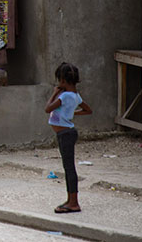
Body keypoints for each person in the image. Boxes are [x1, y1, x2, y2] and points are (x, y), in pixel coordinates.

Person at [45, 62, 93, 214]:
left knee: (69, 168)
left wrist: (54, 93)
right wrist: (72, 114)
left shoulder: (64, 95)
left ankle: (74, 203)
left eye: (59, 80)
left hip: (66, 135)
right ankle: (70, 200)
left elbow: (47, 109)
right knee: (68, 167)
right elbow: (88, 110)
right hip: (66, 133)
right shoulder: (76, 96)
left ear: (63, 81)